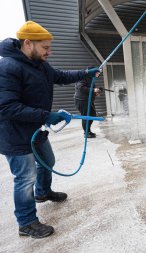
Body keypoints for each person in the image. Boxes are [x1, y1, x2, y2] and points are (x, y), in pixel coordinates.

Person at [0, 21, 100, 238]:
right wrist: (47, 116)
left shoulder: (39, 65)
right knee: (25, 177)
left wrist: (86, 73)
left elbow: (61, 76)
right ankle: (26, 222)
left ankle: (43, 193)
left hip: (37, 130)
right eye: (45, 47)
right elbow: (6, 107)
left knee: (48, 161)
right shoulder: (8, 67)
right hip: (15, 135)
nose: (49, 52)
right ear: (28, 43)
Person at [74, 66, 101, 138]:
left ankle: (88, 131)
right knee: (86, 116)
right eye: (98, 73)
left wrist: (95, 92)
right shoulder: (83, 77)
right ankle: (86, 133)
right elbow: (81, 87)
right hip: (82, 100)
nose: (98, 74)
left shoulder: (91, 78)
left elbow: (90, 88)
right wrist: (93, 90)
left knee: (92, 115)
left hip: (88, 100)